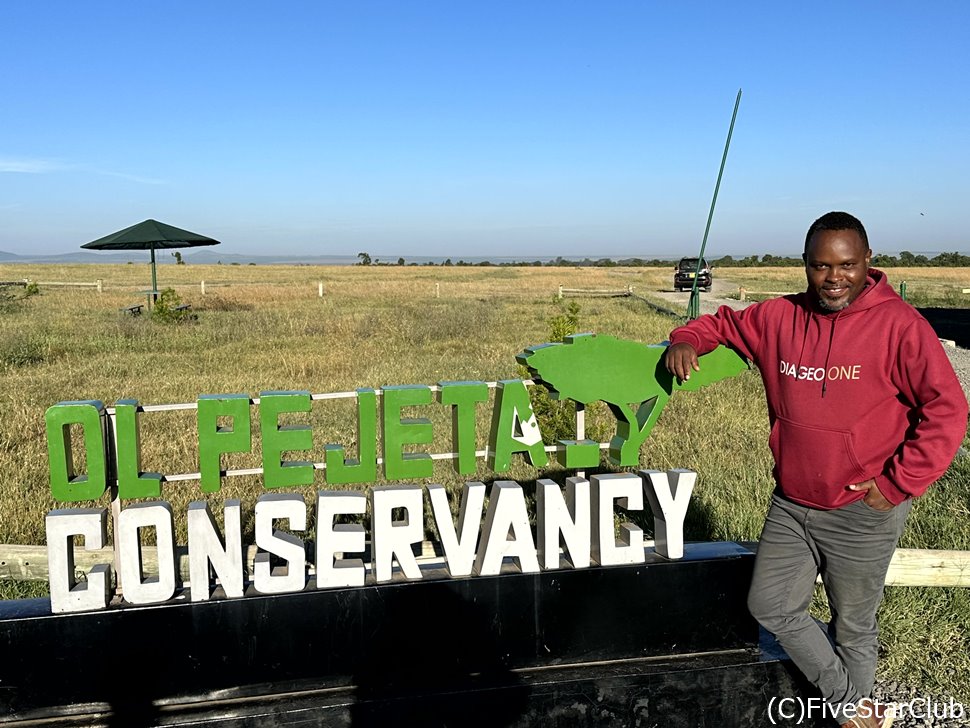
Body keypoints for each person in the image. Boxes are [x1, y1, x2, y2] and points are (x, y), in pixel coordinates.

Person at [664, 211, 968, 728]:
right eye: (820, 266)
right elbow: (720, 323)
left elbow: (948, 410)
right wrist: (685, 339)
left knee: (853, 626)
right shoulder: (778, 318)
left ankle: (849, 713)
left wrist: (895, 485)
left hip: (862, 508)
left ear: (868, 261)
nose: (834, 278)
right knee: (771, 606)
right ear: (805, 266)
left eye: (847, 265)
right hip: (792, 502)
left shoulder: (900, 326)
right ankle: (853, 706)